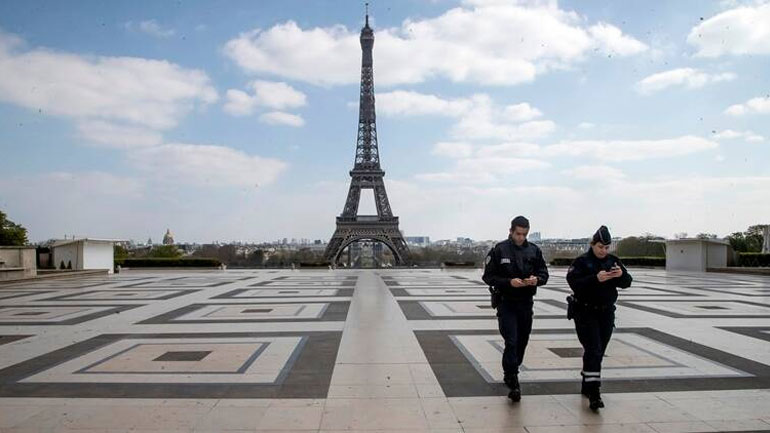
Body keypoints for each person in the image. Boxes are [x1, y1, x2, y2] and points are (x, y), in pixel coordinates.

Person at [482, 215, 549, 402]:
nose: (521, 238)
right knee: (511, 341)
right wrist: (509, 282)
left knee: (522, 341)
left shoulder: (534, 250)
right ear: (511, 231)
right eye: (518, 234)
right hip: (507, 303)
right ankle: (513, 378)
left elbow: (544, 273)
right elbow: (488, 277)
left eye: (524, 234)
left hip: (526, 303)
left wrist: (537, 279)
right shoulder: (499, 250)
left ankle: (512, 368)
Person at [566, 225, 632, 411]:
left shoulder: (613, 261)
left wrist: (621, 275)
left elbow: (627, 282)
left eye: (606, 247)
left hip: (606, 313)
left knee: (599, 351)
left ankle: (587, 381)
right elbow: (574, 283)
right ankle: (594, 392)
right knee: (593, 349)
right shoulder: (582, 262)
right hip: (585, 312)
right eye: (600, 247)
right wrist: (595, 278)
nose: (603, 251)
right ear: (593, 244)